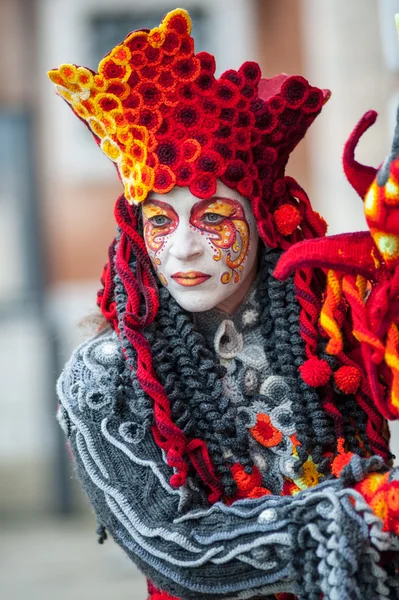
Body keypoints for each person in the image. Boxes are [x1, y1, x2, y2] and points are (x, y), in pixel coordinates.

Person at [50, 8, 399, 600]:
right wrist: (356, 517)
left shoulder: (337, 330)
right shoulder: (106, 380)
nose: (182, 246)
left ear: (263, 220)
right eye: (159, 221)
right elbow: (175, 547)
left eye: (212, 217)